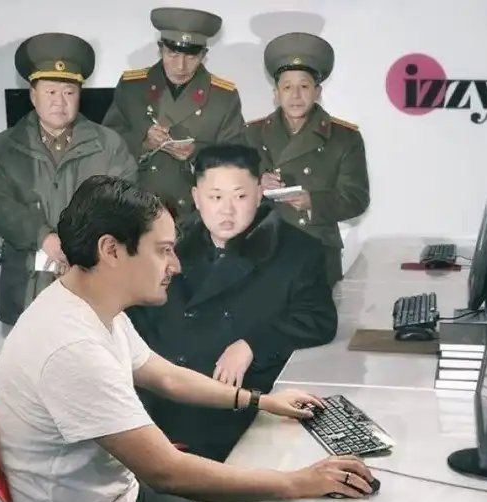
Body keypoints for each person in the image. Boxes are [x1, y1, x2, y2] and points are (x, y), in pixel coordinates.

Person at [0, 175, 375, 502]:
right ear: (111, 250)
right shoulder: (72, 347)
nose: (175, 265)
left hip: (122, 495)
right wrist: (298, 481)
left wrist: (261, 401)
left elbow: (167, 377)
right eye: (162, 250)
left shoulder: (86, 302)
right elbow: (167, 472)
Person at [127, 143, 338, 462]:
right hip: (160, 409)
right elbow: (135, 324)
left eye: (239, 197)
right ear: (196, 197)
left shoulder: (297, 251)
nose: (227, 211)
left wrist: (252, 344)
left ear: (259, 193)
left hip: (240, 412)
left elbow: (318, 319)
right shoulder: (168, 245)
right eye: (215, 197)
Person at [0, 32, 138, 326]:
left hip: (93, 278)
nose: (60, 102)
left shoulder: (109, 145)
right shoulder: (3, 148)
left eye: (69, 92)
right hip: (29, 281)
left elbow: (125, 202)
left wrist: (81, 242)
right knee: (32, 351)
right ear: (33, 95)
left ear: (80, 94)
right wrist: (43, 237)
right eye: (50, 92)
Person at [244, 33, 370, 286]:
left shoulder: (344, 137)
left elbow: (356, 199)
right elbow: (228, 190)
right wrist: (256, 184)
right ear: (276, 93)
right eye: (287, 87)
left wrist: (313, 202)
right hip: (263, 251)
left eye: (304, 86)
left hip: (317, 252)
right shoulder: (251, 134)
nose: (296, 96)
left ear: (318, 92)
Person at [103, 7, 245, 217]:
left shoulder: (222, 96)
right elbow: (107, 145)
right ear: (160, 49)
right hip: (135, 209)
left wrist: (197, 153)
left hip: (195, 213)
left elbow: (237, 157)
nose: (180, 66)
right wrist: (144, 143)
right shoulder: (132, 87)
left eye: (191, 57)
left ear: (204, 55)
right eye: (172, 53)